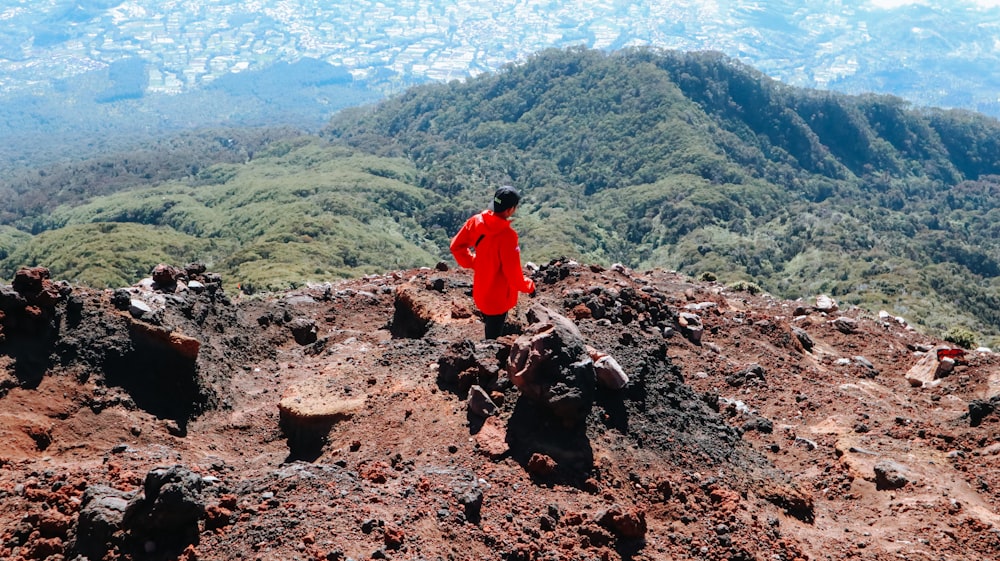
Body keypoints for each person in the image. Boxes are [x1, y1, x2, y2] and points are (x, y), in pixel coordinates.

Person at [450, 185, 536, 339]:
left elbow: (456, 246)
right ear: (510, 210)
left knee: (490, 326)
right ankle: (489, 356)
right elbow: (513, 274)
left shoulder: (476, 221)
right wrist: (529, 286)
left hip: (481, 291)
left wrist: (473, 261)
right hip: (499, 298)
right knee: (493, 339)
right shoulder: (508, 236)